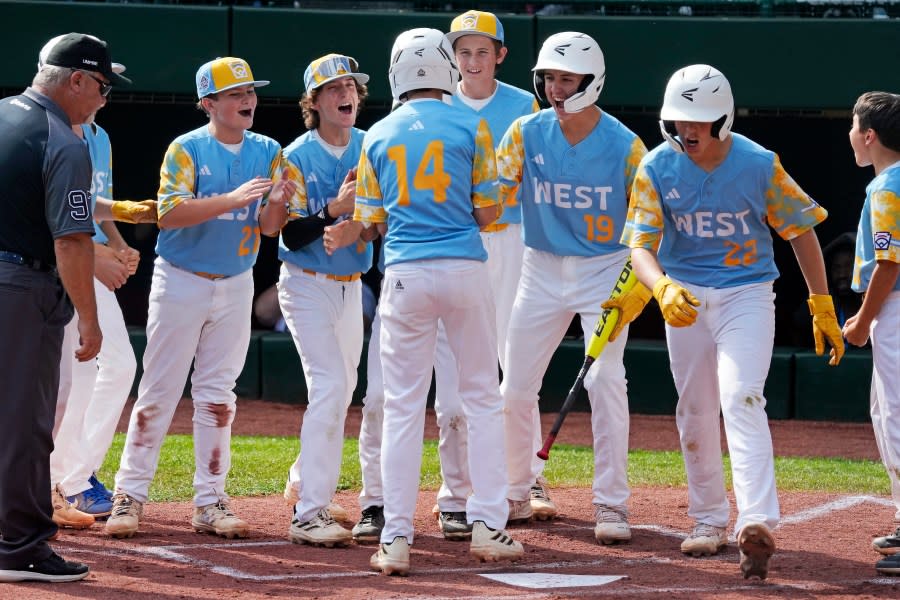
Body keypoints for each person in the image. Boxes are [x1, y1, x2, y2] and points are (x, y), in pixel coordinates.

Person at [622, 64, 844, 579]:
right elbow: (639, 245)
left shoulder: (759, 164)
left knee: (742, 396)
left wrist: (821, 302)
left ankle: (755, 522)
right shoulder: (656, 166)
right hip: (684, 298)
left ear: (723, 119)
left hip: (746, 292)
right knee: (694, 408)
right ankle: (706, 519)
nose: (688, 130)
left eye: (699, 121)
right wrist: (661, 285)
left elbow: (800, 231)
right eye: (679, 120)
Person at [337, 27, 523, 575]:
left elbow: (369, 222)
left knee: (401, 407)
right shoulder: (472, 123)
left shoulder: (378, 135)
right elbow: (489, 214)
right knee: (482, 400)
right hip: (465, 268)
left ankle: (395, 536)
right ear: (446, 68)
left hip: (405, 275)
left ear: (397, 73)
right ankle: (488, 525)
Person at [104, 56, 295, 540]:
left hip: (236, 280)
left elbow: (270, 230)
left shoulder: (269, 149)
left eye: (250, 92)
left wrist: (274, 203)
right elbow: (167, 215)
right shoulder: (186, 148)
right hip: (182, 278)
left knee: (217, 396)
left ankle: (211, 501)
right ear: (209, 103)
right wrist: (233, 199)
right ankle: (130, 495)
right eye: (235, 94)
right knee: (160, 390)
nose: (247, 100)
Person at [496, 31, 649, 544]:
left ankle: (611, 504)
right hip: (540, 266)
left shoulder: (627, 146)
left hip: (605, 270)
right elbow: (493, 195)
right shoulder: (523, 132)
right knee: (514, 386)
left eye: (566, 79)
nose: (556, 88)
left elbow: (651, 218)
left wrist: (639, 275)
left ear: (590, 81)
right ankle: (517, 488)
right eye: (549, 78)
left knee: (605, 380)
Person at [0, 31, 128, 583]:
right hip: (22, 287)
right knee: (25, 423)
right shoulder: (66, 139)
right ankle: (20, 546)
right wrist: (90, 320)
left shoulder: (5, 113)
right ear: (75, 79)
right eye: (101, 86)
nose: (103, 98)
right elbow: (72, 242)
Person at [420, 10, 553, 538]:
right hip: (456, 242)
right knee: (454, 369)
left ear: (500, 54)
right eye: (464, 51)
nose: (472, 61)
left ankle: (528, 478)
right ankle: (458, 485)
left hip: (514, 239)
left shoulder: (525, 104)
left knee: (515, 362)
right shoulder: (434, 102)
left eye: (483, 51)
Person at [258, 53, 374, 547]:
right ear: (315, 102)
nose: (344, 94)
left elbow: (385, 212)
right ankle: (309, 513)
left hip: (352, 286)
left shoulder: (372, 146)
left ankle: (304, 478)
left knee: (343, 386)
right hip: (305, 283)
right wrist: (336, 210)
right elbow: (290, 233)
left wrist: (360, 222)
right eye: (332, 88)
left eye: (349, 86)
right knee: (330, 387)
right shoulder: (296, 156)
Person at [33, 41, 149, 526]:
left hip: (89, 256)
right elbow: (51, 215)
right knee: (84, 374)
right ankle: (71, 478)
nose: (105, 93)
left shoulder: (97, 137)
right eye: (101, 83)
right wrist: (100, 254)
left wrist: (118, 243)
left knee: (103, 369)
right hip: (63, 262)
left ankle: (72, 474)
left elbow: (96, 206)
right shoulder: (51, 131)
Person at [841, 91, 900, 576]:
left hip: (896, 308)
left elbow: (889, 261)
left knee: (896, 418)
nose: (850, 135)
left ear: (870, 136)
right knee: (885, 413)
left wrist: (861, 320)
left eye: (853, 126)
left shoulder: (886, 188)